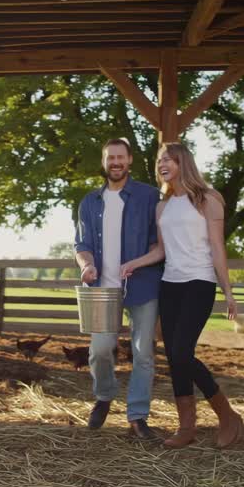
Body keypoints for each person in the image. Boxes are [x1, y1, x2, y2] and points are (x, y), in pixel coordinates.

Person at [121, 142, 244, 449]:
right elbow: (161, 250)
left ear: (183, 163)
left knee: (181, 352)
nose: (162, 164)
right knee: (176, 357)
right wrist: (133, 263)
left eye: (169, 160)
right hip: (170, 284)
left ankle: (227, 415)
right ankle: (186, 428)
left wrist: (228, 291)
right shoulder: (162, 206)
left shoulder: (208, 198)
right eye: (160, 160)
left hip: (199, 282)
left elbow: (217, 247)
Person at [74, 138, 163, 440]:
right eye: (110, 157)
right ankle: (104, 395)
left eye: (120, 157)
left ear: (129, 160)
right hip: (103, 288)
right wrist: (86, 265)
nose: (116, 162)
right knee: (100, 350)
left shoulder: (150, 196)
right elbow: (82, 245)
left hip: (143, 285)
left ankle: (137, 416)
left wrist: (140, 262)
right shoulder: (89, 202)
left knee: (143, 354)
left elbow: (158, 241)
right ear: (104, 162)